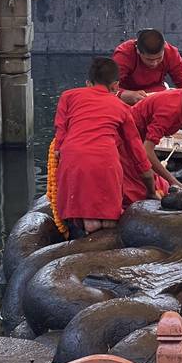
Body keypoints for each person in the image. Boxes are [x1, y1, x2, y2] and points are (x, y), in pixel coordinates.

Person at [53, 57, 156, 234]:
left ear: (88, 83)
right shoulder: (121, 107)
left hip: (73, 158)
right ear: (116, 86)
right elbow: (136, 149)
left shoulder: (68, 96)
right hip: (106, 163)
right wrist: (151, 189)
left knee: (85, 222)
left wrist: (58, 151)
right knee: (109, 222)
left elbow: (60, 131)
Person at [112, 29, 182, 104]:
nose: (154, 63)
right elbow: (107, 85)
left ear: (164, 49)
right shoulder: (124, 54)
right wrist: (121, 94)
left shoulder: (170, 52)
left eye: (159, 58)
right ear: (138, 51)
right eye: (149, 59)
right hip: (128, 95)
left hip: (158, 95)